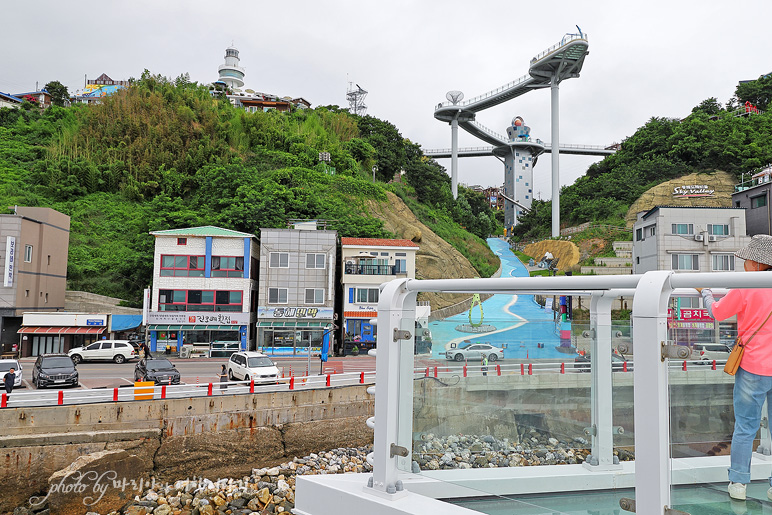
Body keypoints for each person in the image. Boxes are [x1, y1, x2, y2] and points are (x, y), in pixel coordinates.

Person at [696, 234, 772, 501]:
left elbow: (717, 312)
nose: (744, 264)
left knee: (746, 426)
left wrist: (704, 292)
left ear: (758, 264)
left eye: (747, 260)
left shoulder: (746, 287)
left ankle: (739, 483)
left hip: (752, 366)